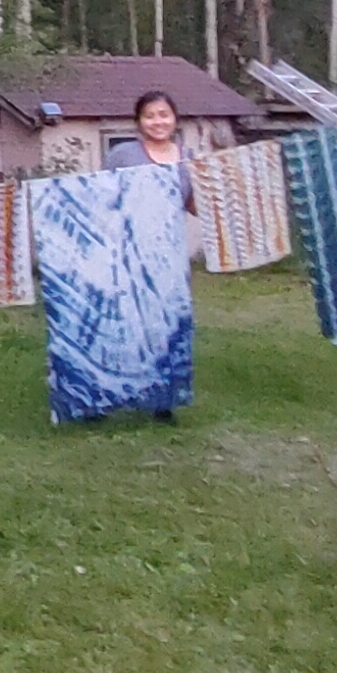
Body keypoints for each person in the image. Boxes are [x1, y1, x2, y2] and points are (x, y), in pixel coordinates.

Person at [101, 90, 191, 424]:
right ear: (139, 121)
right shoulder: (123, 155)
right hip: (124, 253)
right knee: (120, 327)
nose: (158, 121)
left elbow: (191, 203)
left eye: (164, 114)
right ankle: (104, 397)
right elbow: (100, 197)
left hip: (168, 257)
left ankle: (161, 400)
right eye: (150, 115)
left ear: (175, 119)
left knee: (164, 328)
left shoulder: (186, 158)